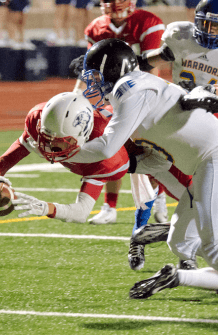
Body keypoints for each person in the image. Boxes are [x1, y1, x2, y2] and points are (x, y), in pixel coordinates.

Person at [66, 37, 218, 295]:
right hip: (203, 163)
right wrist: (131, 164)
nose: (91, 83)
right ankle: (176, 277)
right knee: (180, 242)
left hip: (212, 155)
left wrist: (67, 153)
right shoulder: (134, 91)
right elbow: (161, 158)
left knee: (214, 251)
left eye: (94, 75)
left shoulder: (130, 88)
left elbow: (106, 147)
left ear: (111, 70)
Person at [71, 0, 168, 229]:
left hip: (142, 89)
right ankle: (109, 206)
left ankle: (160, 199)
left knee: (149, 148)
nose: (112, 3)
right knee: (111, 143)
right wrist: (76, 97)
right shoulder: (96, 27)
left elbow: (151, 69)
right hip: (109, 90)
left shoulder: (148, 22)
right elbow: (92, 69)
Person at [0, 92, 129, 223]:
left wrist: (46, 208)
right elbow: (3, 161)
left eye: (60, 141)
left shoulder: (103, 152)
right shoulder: (37, 118)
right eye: (47, 137)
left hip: (136, 134)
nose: (49, 146)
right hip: (104, 118)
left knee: (147, 177)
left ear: (82, 136)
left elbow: (81, 212)